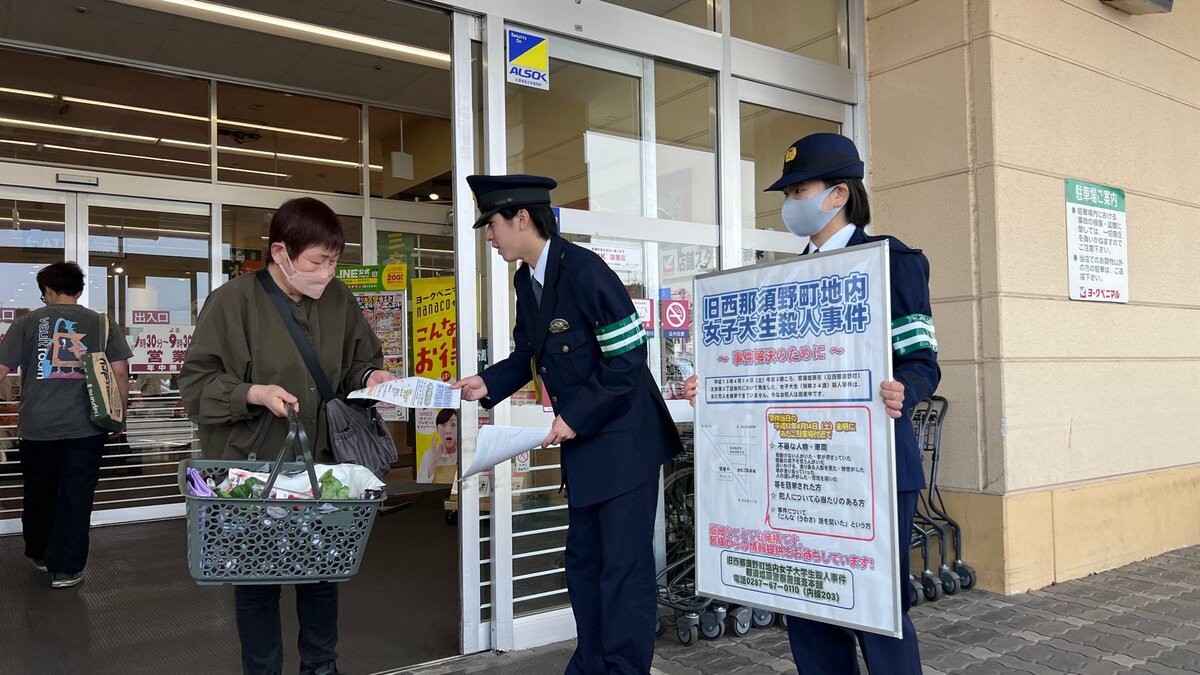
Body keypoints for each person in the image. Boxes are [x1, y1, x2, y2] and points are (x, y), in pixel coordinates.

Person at [683, 132, 940, 674]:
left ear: (838, 194)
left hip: (872, 470)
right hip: (796, 469)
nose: (790, 203)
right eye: (788, 192)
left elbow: (922, 360)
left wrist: (907, 388)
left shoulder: (892, 262)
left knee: (876, 608)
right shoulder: (781, 279)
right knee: (806, 605)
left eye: (799, 190)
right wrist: (715, 389)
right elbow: (765, 373)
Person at [453, 174, 683, 675]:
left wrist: (575, 416)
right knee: (583, 564)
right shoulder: (526, 280)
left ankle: (623, 668)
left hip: (625, 441)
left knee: (622, 569)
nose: (488, 236)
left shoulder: (585, 271)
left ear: (521, 218)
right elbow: (527, 355)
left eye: (491, 224)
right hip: (585, 445)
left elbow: (628, 358)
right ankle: (591, 664)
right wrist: (485, 383)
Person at [179, 197, 396, 675]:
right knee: (256, 583)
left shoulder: (339, 299)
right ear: (280, 252)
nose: (327, 272)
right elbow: (196, 385)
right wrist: (252, 393)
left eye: (334, 261)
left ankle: (322, 668)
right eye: (318, 261)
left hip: (324, 469)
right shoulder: (233, 302)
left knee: (323, 576)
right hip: (254, 472)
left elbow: (358, 363)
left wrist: (371, 378)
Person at [0, 261, 131, 589]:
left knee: (38, 492)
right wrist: (119, 415)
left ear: (47, 290)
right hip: (86, 428)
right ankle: (67, 569)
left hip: (36, 427)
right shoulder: (103, 323)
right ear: (79, 290)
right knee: (76, 496)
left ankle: (40, 552)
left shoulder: (27, 323)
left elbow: (1, 369)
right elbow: (119, 372)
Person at [417, 408, 458, 483]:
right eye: (443, 425)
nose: (448, 431)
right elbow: (422, 483)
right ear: (437, 429)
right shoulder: (428, 455)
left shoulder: (464, 454)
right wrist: (434, 461)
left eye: (453, 425)